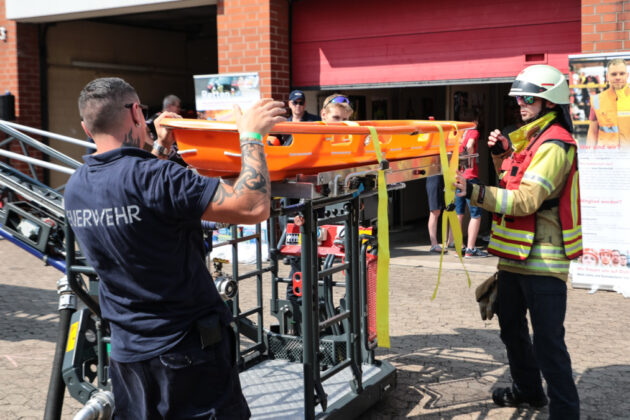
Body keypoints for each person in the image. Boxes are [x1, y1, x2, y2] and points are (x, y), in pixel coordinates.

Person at [64, 77, 286, 418]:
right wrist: (251, 136)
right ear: (137, 112)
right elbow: (253, 206)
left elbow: (139, 190)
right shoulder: (156, 177)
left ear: (86, 126)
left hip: (128, 355)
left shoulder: (76, 186)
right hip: (186, 354)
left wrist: (162, 148)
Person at [454, 64, 581, 419]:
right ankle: (528, 391)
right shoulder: (532, 140)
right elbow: (513, 184)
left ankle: (566, 412)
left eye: (528, 98)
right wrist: (500, 155)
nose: (520, 105)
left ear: (549, 101)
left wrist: (475, 192)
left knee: (548, 344)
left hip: (544, 261)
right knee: (510, 327)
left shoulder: (554, 145)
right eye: (518, 100)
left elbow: (526, 200)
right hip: (514, 257)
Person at [454, 110, 488, 258]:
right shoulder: (473, 132)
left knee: (458, 213)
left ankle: (458, 247)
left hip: (457, 177)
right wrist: (469, 153)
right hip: (471, 178)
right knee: (476, 214)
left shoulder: (458, 133)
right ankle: (470, 249)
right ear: (475, 121)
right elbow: (471, 143)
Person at [587, 58, 630, 147]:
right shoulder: (597, 100)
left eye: (621, 74)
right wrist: (589, 156)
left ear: (627, 75)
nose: (618, 77)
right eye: (614, 74)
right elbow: (592, 132)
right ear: (607, 77)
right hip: (607, 156)